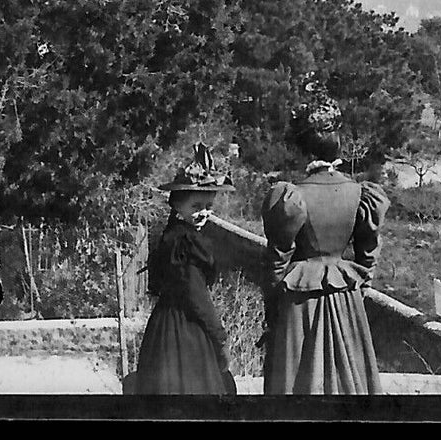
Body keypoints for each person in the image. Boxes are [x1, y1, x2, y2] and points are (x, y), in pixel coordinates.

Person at [261, 93, 390, 394]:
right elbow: (368, 256)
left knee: (298, 385)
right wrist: (360, 287)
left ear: (302, 149)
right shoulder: (361, 194)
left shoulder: (291, 196)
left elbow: (277, 261)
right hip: (346, 300)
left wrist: (274, 306)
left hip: (300, 305)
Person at [132, 143, 239, 396]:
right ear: (177, 206)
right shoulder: (184, 242)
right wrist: (219, 337)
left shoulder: (173, 235)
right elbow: (196, 294)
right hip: (185, 330)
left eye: (208, 206)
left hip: (165, 326)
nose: (204, 213)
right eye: (196, 206)